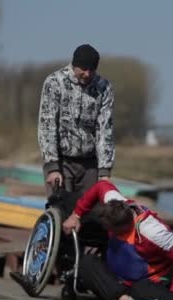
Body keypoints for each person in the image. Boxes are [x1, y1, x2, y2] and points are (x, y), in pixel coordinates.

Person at [37, 44, 115, 195]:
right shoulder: (54, 82)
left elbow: (105, 130)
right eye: (83, 69)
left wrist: (104, 172)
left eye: (91, 70)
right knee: (61, 211)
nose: (87, 74)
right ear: (74, 65)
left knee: (92, 213)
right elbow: (47, 124)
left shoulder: (103, 88)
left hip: (89, 164)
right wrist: (52, 166)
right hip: (61, 160)